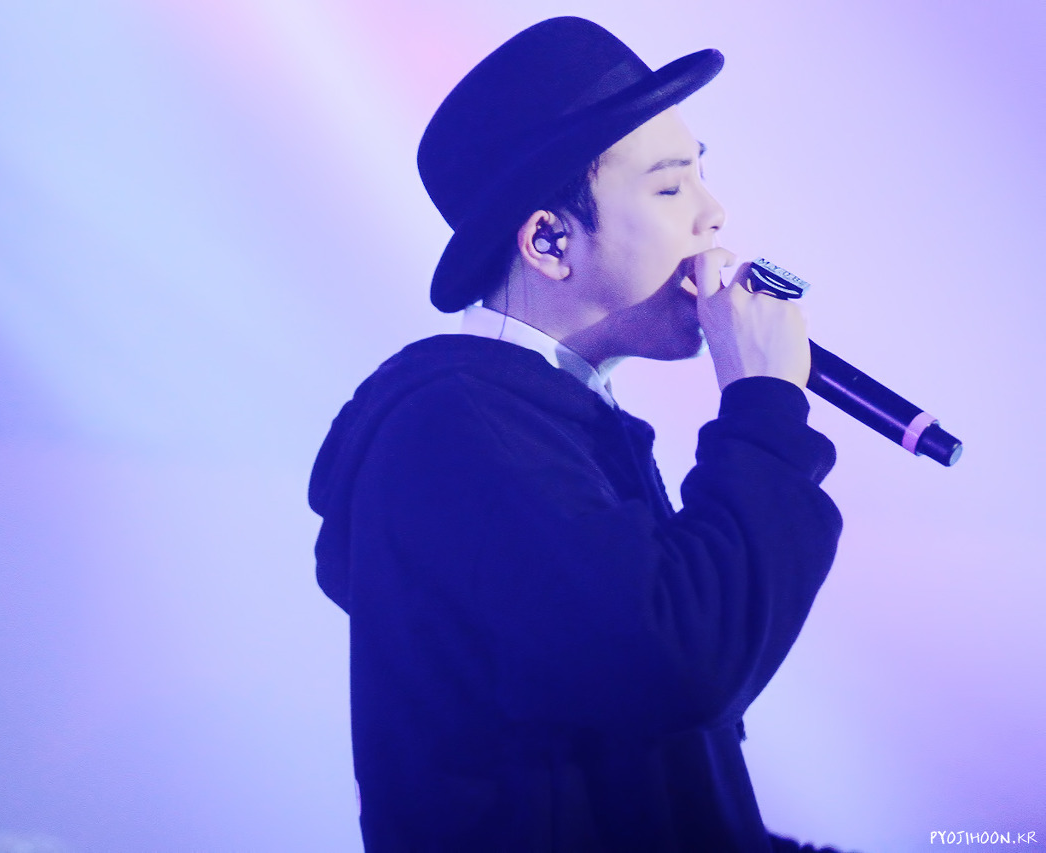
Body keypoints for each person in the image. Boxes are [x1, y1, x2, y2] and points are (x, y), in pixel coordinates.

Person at [309, 16, 845, 852]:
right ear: (550, 240)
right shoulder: (454, 429)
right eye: (669, 189)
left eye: (701, 175)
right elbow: (680, 660)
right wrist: (763, 405)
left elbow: (663, 785)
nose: (713, 214)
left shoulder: (545, 418)